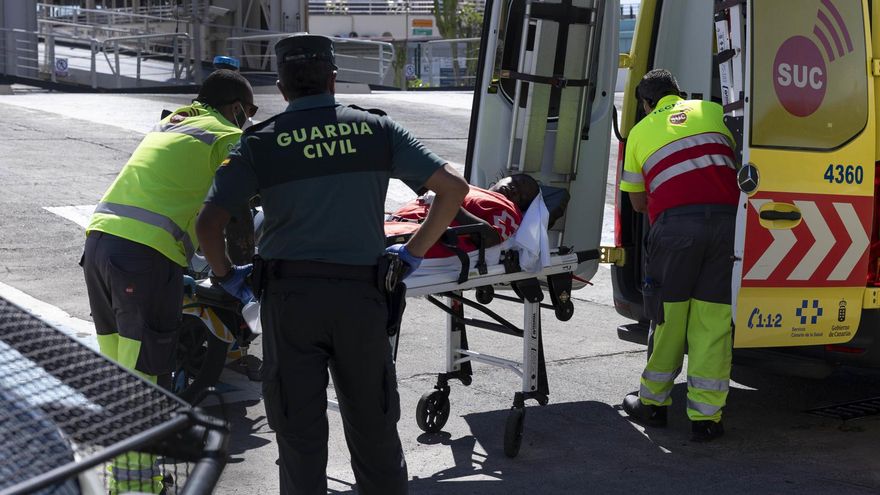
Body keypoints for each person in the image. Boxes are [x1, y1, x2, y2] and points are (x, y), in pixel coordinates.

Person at [195, 34, 469, 494]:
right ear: (333, 79)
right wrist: (413, 254)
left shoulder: (262, 141)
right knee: (375, 430)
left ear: (282, 89)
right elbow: (454, 188)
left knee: (299, 438)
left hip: (289, 303)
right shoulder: (377, 130)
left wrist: (227, 277)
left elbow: (209, 224)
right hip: (361, 301)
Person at [80, 69, 257, 494]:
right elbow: (242, 207)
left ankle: (132, 481)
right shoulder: (223, 134)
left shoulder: (173, 122)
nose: (247, 121)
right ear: (235, 108)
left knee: (121, 372)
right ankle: (135, 488)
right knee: (144, 378)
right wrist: (237, 272)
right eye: (247, 113)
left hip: (100, 245)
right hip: (143, 259)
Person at [618, 69, 738, 442]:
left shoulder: (639, 132)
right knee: (713, 319)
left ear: (646, 103)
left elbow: (637, 202)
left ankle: (653, 404)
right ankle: (707, 418)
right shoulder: (713, 110)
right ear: (678, 92)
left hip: (676, 231)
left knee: (669, 316)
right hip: (728, 226)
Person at [386, 174, 541, 258]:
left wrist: (449, 204)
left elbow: (490, 238)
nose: (515, 190)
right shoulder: (467, 187)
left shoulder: (509, 210)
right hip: (394, 226)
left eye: (521, 197)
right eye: (517, 182)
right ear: (503, 177)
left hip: (413, 237)